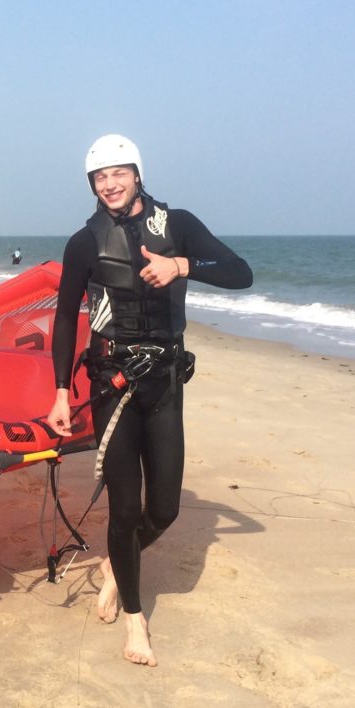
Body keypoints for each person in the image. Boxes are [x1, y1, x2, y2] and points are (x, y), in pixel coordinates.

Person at [47, 135, 252, 667]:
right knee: (125, 507)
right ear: (92, 185)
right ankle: (135, 620)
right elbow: (66, 317)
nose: (110, 184)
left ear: (137, 174)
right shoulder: (82, 243)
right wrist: (62, 392)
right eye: (99, 177)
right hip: (111, 383)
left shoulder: (177, 224)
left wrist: (181, 266)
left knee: (164, 508)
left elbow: (240, 273)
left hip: (163, 381)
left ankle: (118, 563)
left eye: (119, 173)